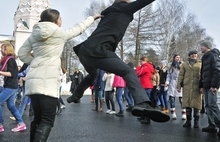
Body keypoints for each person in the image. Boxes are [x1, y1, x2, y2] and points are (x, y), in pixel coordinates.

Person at [67, 0, 170, 123]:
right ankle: (142, 102)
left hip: (84, 52)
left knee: (93, 74)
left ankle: (76, 95)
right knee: (128, 71)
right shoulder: (124, 7)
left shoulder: (110, 12)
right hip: (99, 50)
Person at [18, 9, 101, 142]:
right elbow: (79, 28)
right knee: (47, 121)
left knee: (37, 119)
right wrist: (92, 18)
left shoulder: (34, 33)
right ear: (55, 20)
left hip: (33, 81)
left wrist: (35, 62)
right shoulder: (59, 32)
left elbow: (22, 53)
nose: (61, 21)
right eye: (60, 18)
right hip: (48, 81)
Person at [0, 44, 26, 133]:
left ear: (6, 50)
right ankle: (21, 124)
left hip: (11, 86)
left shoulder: (10, 60)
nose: (0, 50)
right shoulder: (7, 60)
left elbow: (11, 74)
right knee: (11, 105)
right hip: (11, 86)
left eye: (2, 49)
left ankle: (0, 125)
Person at [199, 41, 220, 135]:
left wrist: (214, 86)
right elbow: (203, 73)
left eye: (202, 46)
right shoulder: (204, 57)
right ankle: (212, 125)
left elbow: (217, 71)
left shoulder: (213, 56)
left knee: (213, 105)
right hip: (206, 85)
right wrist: (202, 86)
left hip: (212, 86)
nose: (200, 48)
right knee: (207, 105)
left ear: (207, 47)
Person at [177, 49, 202, 128]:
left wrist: (203, 86)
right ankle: (188, 121)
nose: (193, 55)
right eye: (192, 54)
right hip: (187, 86)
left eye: (195, 54)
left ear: (197, 55)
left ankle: (196, 122)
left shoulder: (201, 64)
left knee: (196, 105)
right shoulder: (184, 64)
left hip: (197, 87)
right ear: (189, 55)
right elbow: (181, 75)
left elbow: (203, 75)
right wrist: (179, 86)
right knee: (187, 104)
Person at [165, 54, 186, 120]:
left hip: (180, 83)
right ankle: (173, 114)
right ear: (174, 58)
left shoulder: (183, 65)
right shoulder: (171, 66)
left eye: (179, 57)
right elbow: (169, 75)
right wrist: (167, 82)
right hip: (172, 83)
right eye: (177, 57)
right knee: (172, 99)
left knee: (182, 100)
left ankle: (183, 114)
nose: (178, 58)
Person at [136, 57, 154, 124]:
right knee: (144, 102)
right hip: (146, 86)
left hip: (145, 86)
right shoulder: (146, 67)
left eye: (141, 61)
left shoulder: (145, 67)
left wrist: (138, 67)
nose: (140, 63)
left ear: (144, 61)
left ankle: (147, 118)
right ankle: (143, 116)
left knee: (146, 103)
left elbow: (138, 73)